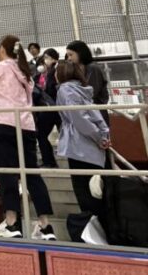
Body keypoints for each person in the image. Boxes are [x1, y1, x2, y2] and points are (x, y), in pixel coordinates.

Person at [0, 35, 56, 240]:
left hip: (4, 123)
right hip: (27, 125)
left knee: (7, 173)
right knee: (32, 174)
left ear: (2, 49)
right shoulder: (25, 71)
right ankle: (46, 226)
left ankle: (12, 223)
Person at [56, 60, 109, 217]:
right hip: (92, 146)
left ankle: (92, 226)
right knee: (96, 191)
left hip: (78, 145)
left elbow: (79, 118)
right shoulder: (83, 90)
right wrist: (102, 136)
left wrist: (99, 138)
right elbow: (93, 116)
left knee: (84, 192)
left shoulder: (65, 90)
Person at [65, 40, 110, 125]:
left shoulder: (93, 69)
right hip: (85, 114)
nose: (69, 58)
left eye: (71, 55)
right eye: (68, 55)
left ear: (80, 53)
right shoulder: (76, 69)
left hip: (96, 114)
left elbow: (92, 92)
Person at [34, 49, 61, 168]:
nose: (43, 64)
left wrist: (53, 66)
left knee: (64, 134)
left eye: (45, 59)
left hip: (58, 108)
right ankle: (48, 161)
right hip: (45, 110)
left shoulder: (56, 73)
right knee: (41, 135)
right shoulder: (37, 77)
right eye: (41, 62)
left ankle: (74, 161)